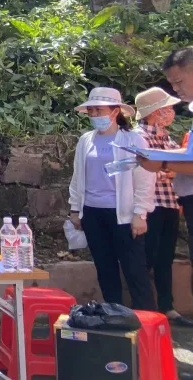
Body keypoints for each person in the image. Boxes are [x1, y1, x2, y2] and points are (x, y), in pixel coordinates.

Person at [68, 87, 156, 311]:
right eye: (91, 111)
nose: (94, 115)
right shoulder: (86, 140)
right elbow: (78, 176)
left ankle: (146, 318)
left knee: (134, 269)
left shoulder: (133, 139)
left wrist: (140, 213)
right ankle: (113, 315)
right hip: (92, 212)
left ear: (115, 111)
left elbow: (145, 178)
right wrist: (75, 209)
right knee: (105, 269)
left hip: (123, 215)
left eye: (99, 110)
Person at [135, 87, 193, 325]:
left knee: (165, 258)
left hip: (170, 202)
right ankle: (145, 309)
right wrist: (168, 170)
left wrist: (167, 169)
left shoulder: (166, 137)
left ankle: (167, 307)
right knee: (147, 256)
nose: (171, 112)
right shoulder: (139, 136)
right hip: (151, 205)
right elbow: (139, 169)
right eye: (166, 108)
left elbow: (174, 167)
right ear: (153, 112)